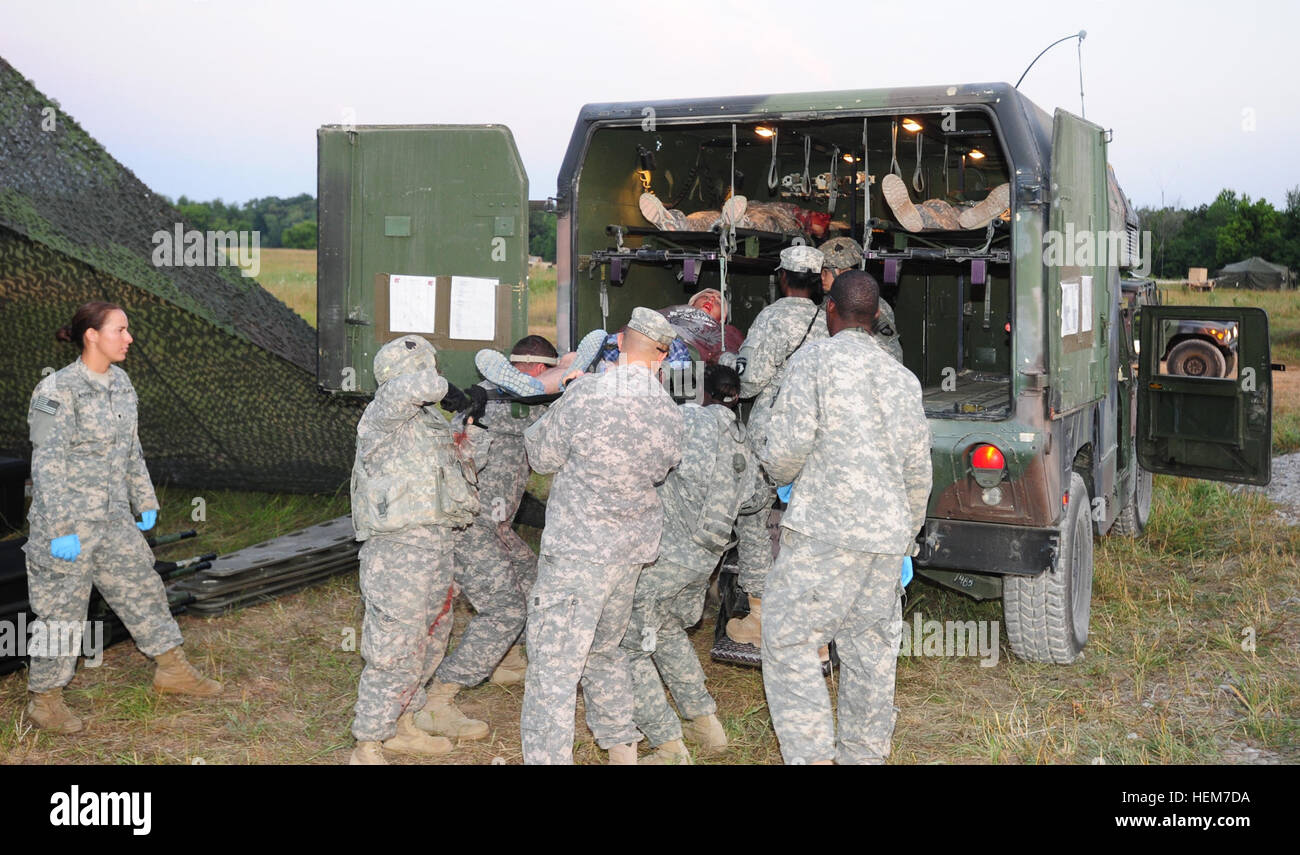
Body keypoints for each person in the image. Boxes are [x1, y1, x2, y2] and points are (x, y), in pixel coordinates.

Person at [758, 270, 932, 764]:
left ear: (829, 309)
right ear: (876, 317)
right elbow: (919, 472)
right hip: (884, 542)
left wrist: (779, 472)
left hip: (822, 536)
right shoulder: (902, 379)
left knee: (790, 644)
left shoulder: (814, 363)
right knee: (870, 660)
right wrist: (906, 537)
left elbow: (785, 452)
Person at [23, 301, 221, 734]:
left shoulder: (122, 383)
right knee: (60, 614)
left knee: (143, 588)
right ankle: (45, 699)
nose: (129, 338)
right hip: (68, 526)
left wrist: (144, 500)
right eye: (120, 329)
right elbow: (45, 464)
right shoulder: (54, 391)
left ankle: (172, 670)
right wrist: (59, 530)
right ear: (91, 335)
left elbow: (131, 449)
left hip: (113, 521)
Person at [520, 307, 683, 764]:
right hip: (629, 554)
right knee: (604, 652)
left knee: (554, 669)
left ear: (619, 341)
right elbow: (662, 470)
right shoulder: (668, 411)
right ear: (662, 354)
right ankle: (623, 752)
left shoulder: (587, 392)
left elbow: (541, 456)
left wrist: (565, 394)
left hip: (577, 553)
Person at [620, 363, 765, 764]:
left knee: (623, 645)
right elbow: (754, 503)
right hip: (702, 566)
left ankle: (667, 745)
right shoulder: (745, 442)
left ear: (700, 391)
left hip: (659, 560)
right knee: (665, 632)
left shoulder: (684, 420)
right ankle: (707, 726)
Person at [349, 335, 480, 765]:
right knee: (394, 647)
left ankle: (402, 724)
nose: (436, 374)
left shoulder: (427, 424)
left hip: (436, 547)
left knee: (429, 641)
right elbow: (416, 389)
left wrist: (467, 427)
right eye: (431, 366)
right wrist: (448, 388)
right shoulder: (383, 413)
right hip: (397, 552)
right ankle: (368, 743)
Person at [419, 336, 558, 742]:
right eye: (547, 374)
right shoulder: (500, 408)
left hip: (493, 525)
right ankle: (439, 700)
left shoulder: (509, 403)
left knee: (534, 582)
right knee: (506, 609)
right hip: (467, 526)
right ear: (534, 371)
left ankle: (505, 659)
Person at [719, 245, 828, 649]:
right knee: (808, 528)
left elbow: (748, 381)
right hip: (815, 436)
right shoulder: (828, 320)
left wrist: (731, 358)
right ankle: (813, 626)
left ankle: (761, 616)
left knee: (753, 519)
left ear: (782, 277)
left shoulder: (773, 316)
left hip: (771, 437)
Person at [817, 237, 903, 363]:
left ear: (844, 271)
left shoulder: (868, 303)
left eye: (825, 271)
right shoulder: (828, 300)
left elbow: (892, 355)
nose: (821, 277)